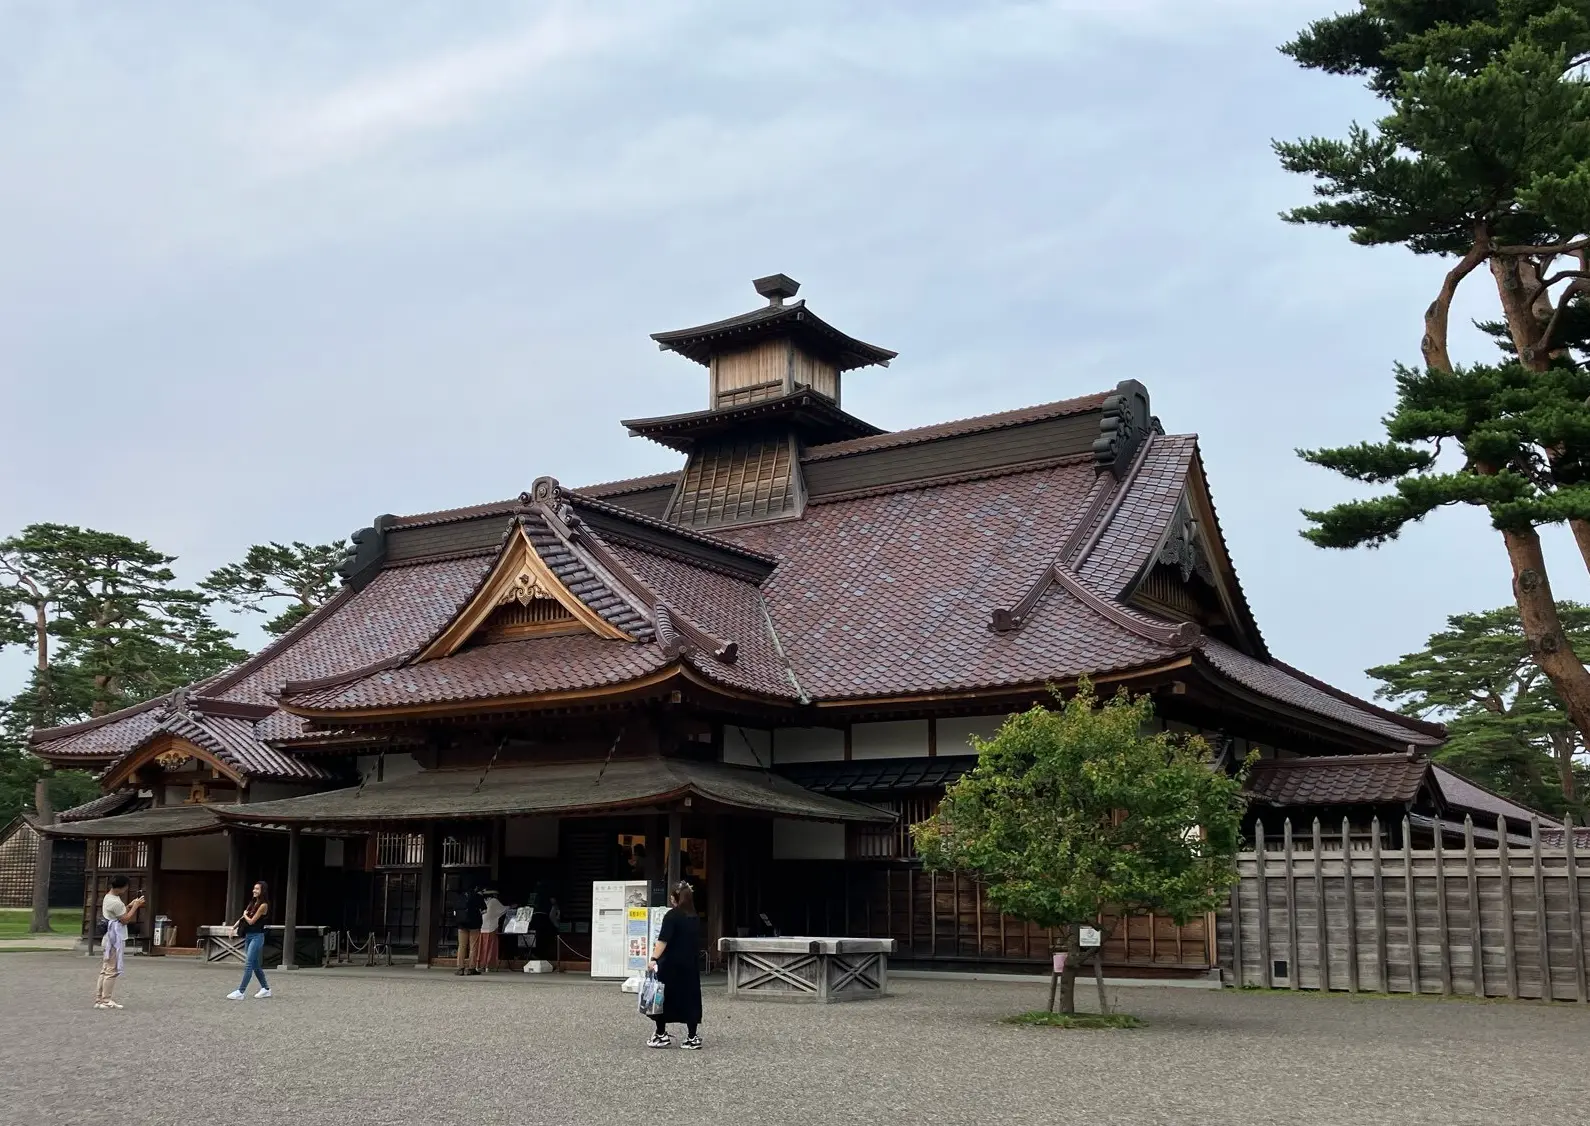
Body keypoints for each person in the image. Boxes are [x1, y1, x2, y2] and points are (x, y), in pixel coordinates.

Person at [646, 880, 703, 1050]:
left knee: (662, 997)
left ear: (675, 898)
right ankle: (692, 1036)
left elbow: (663, 940)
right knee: (690, 998)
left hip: (670, 963)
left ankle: (661, 1034)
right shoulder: (693, 916)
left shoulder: (672, 916)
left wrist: (653, 959)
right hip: (690, 964)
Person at [94, 875, 145, 1010]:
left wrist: (130, 905)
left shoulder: (109, 897)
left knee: (105, 969)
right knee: (111, 970)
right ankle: (106, 999)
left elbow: (120, 913)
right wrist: (136, 907)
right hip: (114, 938)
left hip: (109, 937)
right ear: (123, 887)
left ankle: (100, 999)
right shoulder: (115, 902)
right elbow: (125, 919)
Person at [227, 881, 272, 1000]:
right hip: (249, 935)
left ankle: (240, 992)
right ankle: (266, 989)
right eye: (254, 888)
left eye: (257, 889)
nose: (254, 890)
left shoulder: (264, 905)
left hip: (257, 936)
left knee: (248, 964)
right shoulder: (253, 902)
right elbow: (243, 918)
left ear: (263, 891)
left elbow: (251, 921)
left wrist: (245, 914)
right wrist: (233, 928)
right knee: (255, 964)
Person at [454, 884, 485, 976]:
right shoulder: (478, 897)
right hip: (474, 925)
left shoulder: (459, 897)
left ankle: (460, 968)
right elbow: (484, 911)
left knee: (461, 946)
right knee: (473, 947)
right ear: (475, 888)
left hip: (461, 925)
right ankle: (471, 968)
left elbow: (455, 912)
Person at [478, 888, 507, 972]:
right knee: (490, 947)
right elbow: (502, 909)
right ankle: (488, 965)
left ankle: (479, 964)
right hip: (491, 927)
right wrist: (510, 907)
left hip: (482, 927)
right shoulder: (494, 901)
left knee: (481, 947)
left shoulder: (483, 901)